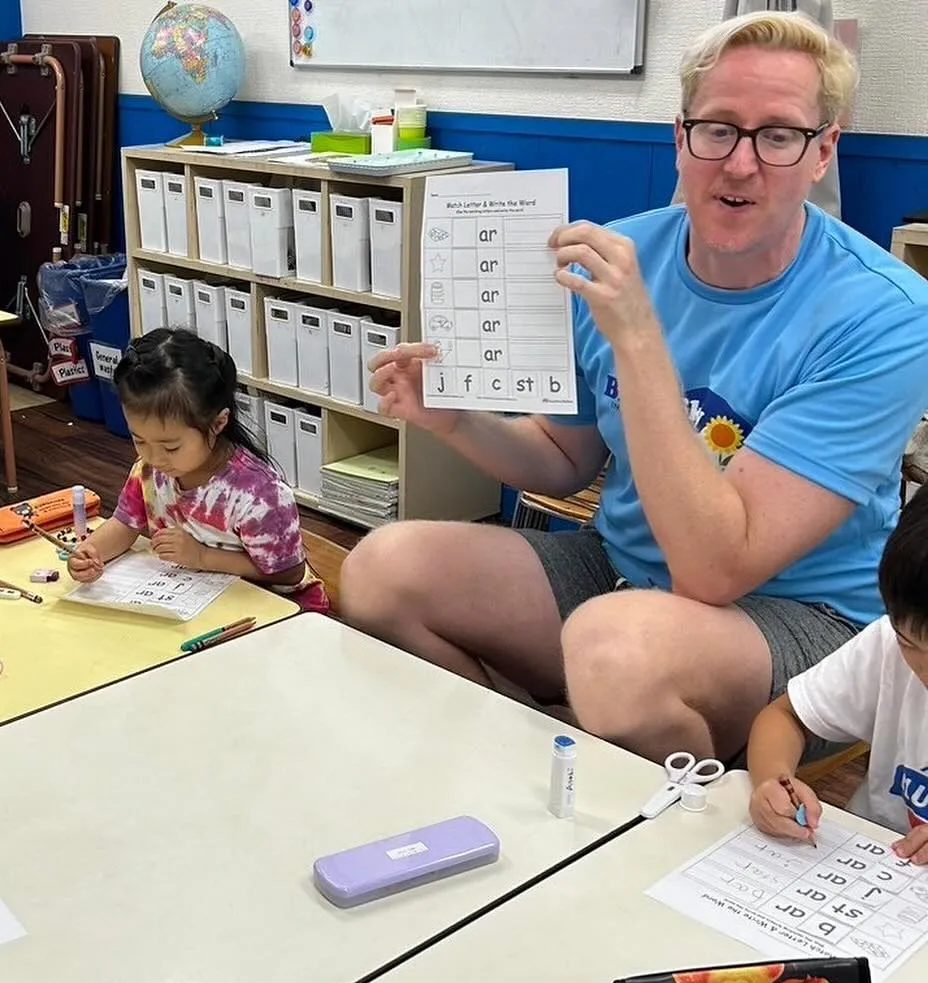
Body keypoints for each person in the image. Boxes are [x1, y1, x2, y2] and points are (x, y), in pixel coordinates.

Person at [342, 11, 928, 764]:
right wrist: (456, 420)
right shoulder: (626, 249)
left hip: (799, 618)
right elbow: (563, 458)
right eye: (718, 128)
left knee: (614, 652)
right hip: (623, 571)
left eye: (778, 135)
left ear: (823, 153)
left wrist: (641, 339)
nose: (741, 164)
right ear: (681, 139)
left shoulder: (886, 315)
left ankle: (643, 792)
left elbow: (716, 569)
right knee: (381, 571)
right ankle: (553, 754)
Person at [66, 328, 329, 613]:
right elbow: (124, 525)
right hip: (199, 599)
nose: (153, 457)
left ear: (217, 423)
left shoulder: (259, 494)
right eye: (139, 439)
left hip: (281, 612)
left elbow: (287, 573)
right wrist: (90, 553)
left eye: (171, 447)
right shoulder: (149, 471)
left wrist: (203, 556)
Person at [747, 491, 928, 858]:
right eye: (910, 643)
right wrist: (774, 778)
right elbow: (785, 716)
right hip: (869, 866)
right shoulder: (886, 647)